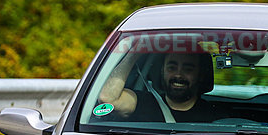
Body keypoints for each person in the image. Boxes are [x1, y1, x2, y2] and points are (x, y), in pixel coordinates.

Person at [97, 51, 229, 122]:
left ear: (200, 75)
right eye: (171, 67)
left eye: (188, 69)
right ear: (162, 71)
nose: (178, 74)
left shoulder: (216, 116)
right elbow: (108, 99)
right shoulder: (142, 102)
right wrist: (135, 53)